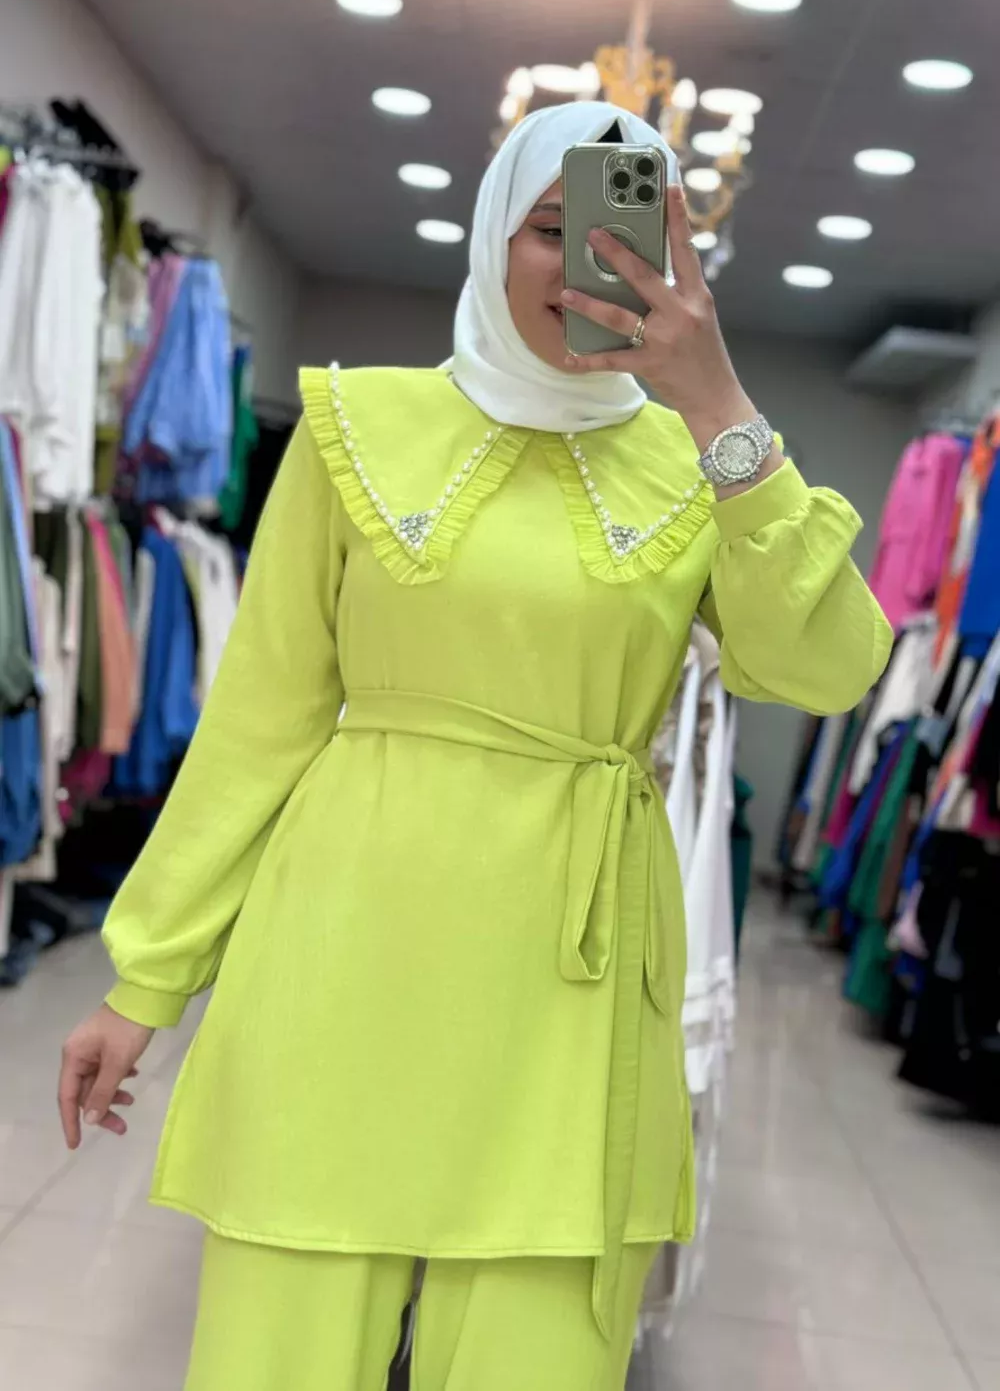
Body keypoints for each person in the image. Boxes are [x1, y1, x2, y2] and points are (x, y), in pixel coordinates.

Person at [58, 101, 891, 1391]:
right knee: (278, 1355)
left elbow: (829, 667)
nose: (586, 266)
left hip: (574, 994)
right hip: (343, 958)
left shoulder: (701, 463)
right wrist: (145, 980)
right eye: (551, 229)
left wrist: (718, 401)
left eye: (627, 241)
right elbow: (261, 722)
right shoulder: (357, 427)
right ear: (495, 233)